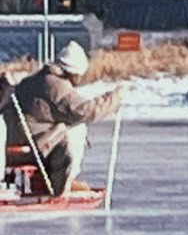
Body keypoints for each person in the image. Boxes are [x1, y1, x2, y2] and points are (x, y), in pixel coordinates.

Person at [9, 42, 116, 193]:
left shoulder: (35, 79)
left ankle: (60, 179)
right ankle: (63, 183)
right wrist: (114, 98)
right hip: (31, 147)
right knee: (75, 129)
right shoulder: (55, 85)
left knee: (62, 126)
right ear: (74, 73)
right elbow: (85, 111)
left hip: (14, 142)